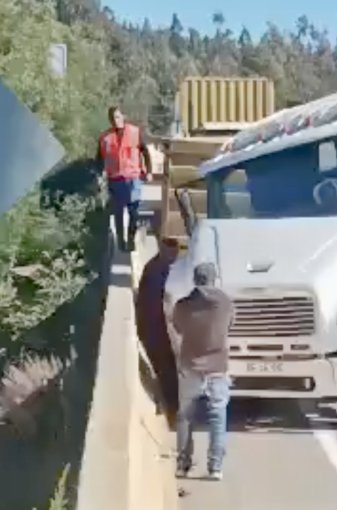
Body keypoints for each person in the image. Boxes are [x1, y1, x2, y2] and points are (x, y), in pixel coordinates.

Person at [171, 262, 234, 480]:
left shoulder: (183, 305)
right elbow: (230, 326)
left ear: (195, 280)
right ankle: (215, 467)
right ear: (214, 280)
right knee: (217, 416)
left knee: (185, 416)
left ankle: (183, 465)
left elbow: (178, 328)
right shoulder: (226, 303)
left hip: (190, 366)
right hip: (217, 367)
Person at [135, 237, 180, 424]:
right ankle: (172, 412)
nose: (174, 256)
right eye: (172, 253)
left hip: (160, 330)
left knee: (168, 372)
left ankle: (172, 410)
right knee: (167, 372)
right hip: (156, 331)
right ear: (163, 250)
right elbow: (154, 306)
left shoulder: (160, 268)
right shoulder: (155, 271)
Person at [96, 106, 152, 252]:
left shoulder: (134, 132)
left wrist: (149, 171)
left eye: (117, 117)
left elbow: (145, 152)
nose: (115, 120)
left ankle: (131, 239)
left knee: (134, 211)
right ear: (109, 120)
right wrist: (99, 176)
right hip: (115, 180)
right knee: (118, 213)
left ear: (123, 117)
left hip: (134, 177)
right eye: (112, 118)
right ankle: (121, 241)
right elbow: (99, 160)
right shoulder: (105, 138)